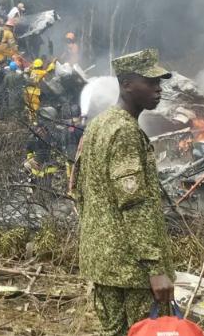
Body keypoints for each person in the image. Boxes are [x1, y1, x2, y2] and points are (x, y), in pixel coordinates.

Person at [73, 48, 174, 336]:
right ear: (127, 85)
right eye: (150, 82)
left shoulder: (99, 125)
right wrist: (155, 268)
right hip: (134, 274)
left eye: (159, 82)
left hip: (104, 266)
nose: (158, 89)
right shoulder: (125, 132)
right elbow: (134, 204)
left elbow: (79, 189)